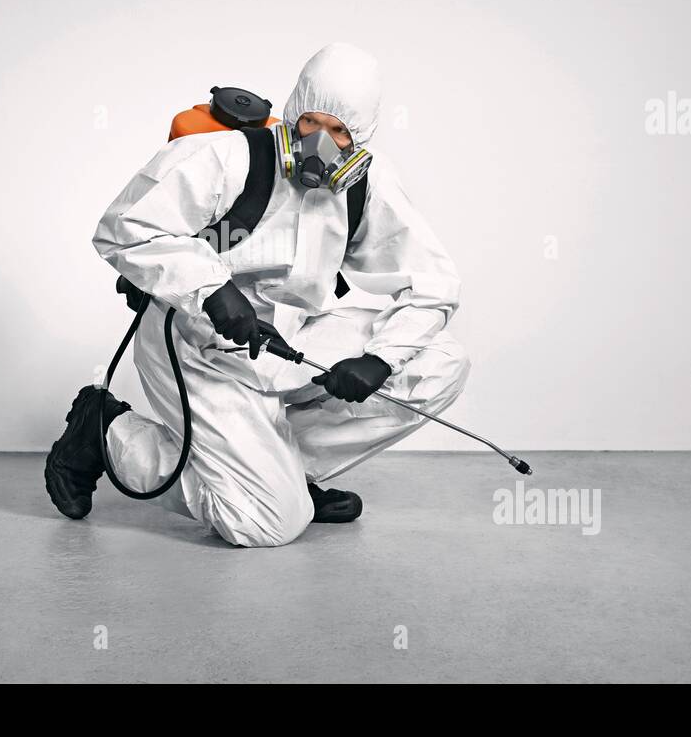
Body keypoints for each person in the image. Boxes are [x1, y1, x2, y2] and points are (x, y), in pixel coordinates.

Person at [45, 42, 468, 547]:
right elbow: (124, 227)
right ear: (293, 112)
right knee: (266, 524)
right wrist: (214, 288)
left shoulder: (366, 184)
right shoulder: (225, 157)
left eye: (341, 132)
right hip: (197, 346)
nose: (323, 144)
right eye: (312, 123)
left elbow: (433, 284)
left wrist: (380, 358)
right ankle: (107, 435)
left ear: (362, 138)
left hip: (289, 340)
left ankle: (284, 473)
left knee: (438, 362)